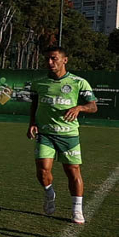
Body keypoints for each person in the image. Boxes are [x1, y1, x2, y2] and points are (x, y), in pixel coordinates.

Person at [27, 46, 96, 225]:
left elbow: (93, 106)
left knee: (72, 171)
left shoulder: (79, 82)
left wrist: (79, 107)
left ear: (64, 60)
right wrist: (32, 123)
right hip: (45, 133)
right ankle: (49, 193)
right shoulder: (39, 83)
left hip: (68, 135)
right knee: (43, 170)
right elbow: (34, 104)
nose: (50, 62)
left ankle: (77, 210)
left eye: (54, 58)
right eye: (47, 59)